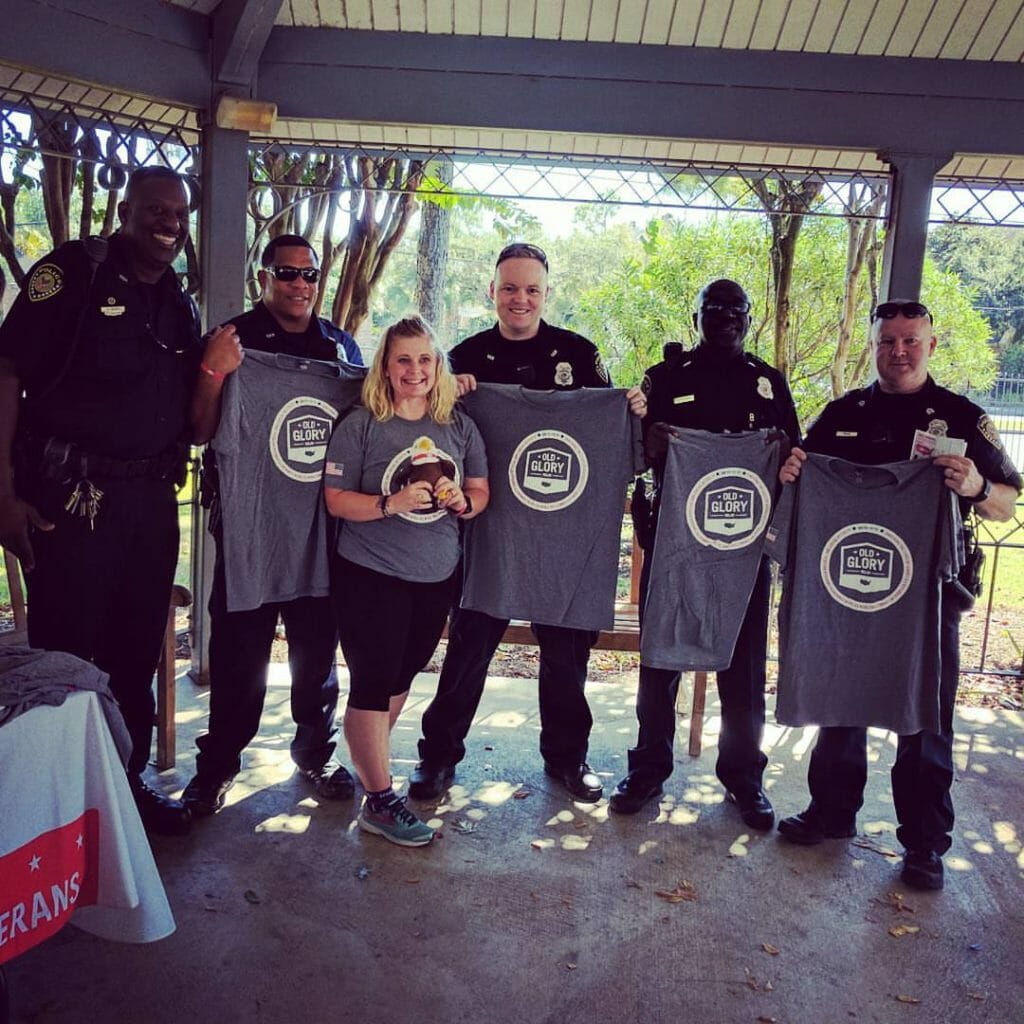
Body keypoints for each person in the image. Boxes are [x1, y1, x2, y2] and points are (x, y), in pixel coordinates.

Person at [776, 299, 1020, 890]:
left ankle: (925, 844)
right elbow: (803, 469)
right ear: (874, 346)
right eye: (888, 341)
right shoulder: (841, 414)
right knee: (840, 699)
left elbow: (1007, 499)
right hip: (848, 591)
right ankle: (831, 814)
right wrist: (792, 470)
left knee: (926, 717)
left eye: (911, 340)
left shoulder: (960, 417)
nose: (899, 351)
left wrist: (976, 483)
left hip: (928, 597)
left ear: (931, 345)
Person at [0, 167, 202, 834]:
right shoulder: (71, 276)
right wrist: (1, 494)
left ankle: (123, 792)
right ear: (125, 210)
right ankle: (55, 811)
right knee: (68, 656)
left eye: (178, 212)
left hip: (149, 504)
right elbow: (6, 373)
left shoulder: (178, 299)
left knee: (137, 651)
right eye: (154, 210)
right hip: (71, 500)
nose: (168, 222)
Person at [409, 243, 647, 803]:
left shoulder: (579, 355)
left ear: (546, 294)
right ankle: (437, 758)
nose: (520, 299)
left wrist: (631, 409)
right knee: (468, 651)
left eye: (532, 289)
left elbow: (616, 444)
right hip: (489, 536)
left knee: (567, 656)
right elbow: (422, 435)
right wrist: (448, 396)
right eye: (510, 288)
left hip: (564, 541)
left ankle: (568, 760)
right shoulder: (461, 358)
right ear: (492, 292)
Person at [182, 234, 363, 816]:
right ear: (265, 277)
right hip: (251, 527)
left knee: (317, 654)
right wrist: (215, 370)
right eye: (288, 273)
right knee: (240, 655)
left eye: (310, 275)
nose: (300, 284)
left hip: (319, 532)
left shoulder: (339, 348)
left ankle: (315, 754)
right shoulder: (234, 340)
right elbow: (201, 429)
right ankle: (217, 767)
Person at [609, 279, 800, 828]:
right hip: (673, 552)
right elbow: (633, 456)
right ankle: (648, 770)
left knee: (743, 669)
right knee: (660, 661)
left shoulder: (768, 384)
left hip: (744, 557)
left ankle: (744, 778)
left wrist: (781, 455)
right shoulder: (666, 379)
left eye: (736, 312)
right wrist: (653, 444)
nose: (725, 320)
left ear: (749, 318)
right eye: (713, 311)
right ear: (696, 318)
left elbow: (794, 459)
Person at [324, 316, 489, 846]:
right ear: (386, 367)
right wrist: (389, 503)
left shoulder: (458, 426)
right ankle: (379, 798)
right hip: (371, 572)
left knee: (399, 679)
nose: (414, 370)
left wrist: (463, 501)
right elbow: (335, 499)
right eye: (403, 360)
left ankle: (368, 770)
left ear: (437, 366)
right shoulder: (363, 424)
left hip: (434, 575)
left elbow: (481, 491)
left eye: (424, 359)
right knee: (372, 683)